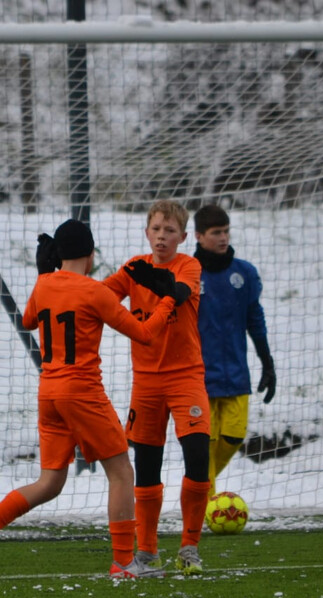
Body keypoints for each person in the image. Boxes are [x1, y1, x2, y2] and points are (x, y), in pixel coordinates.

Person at [0, 219, 177, 579]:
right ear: (91, 255)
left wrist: (44, 274)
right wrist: (169, 300)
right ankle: (124, 562)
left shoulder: (45, 284)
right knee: (122, 472)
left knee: (50, 482)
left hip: (49, 393)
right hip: (82, 392)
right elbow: (144, 334)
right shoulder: (95, 292)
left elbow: (29, 319)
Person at [102, 200, 211, 576]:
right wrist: (63, 280)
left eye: (170, 230)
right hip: (146, 382)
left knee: (198, 455)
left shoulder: (189, 265)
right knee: (146, 467)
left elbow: (179, 293)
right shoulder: (133, 268)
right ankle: (147, 552)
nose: (162, 236)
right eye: (156, 229)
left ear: (182, 236)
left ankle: (189, 547)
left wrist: (157, 285)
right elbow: (99, 298)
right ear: (146, 231)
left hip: (186, 377)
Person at [193, 204, 276, 498]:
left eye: (226, 231)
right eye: (216, 232)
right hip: (199, 379)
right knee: (206, 444)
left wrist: (267, 361)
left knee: (233, 436)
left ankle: (198, 490)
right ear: (199, 236)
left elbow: (255, 319)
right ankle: (206, 507)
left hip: (236, 376)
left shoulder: (245, 273)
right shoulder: (187, 274)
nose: (223, 238)